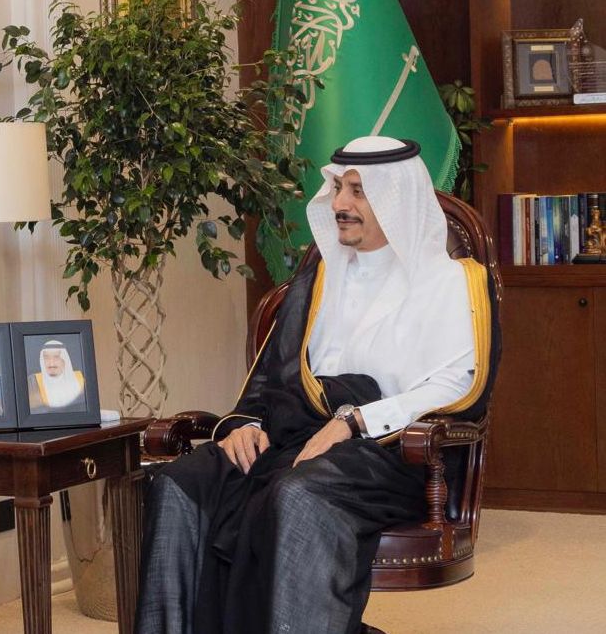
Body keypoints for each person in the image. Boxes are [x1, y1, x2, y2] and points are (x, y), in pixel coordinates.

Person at [135, 137, 500, 634]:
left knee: (297, 496)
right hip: (294, 436)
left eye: (358, 191)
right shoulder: (319, 279)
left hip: (390, 454)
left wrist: (354, 422)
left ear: (396, 200)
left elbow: (458, 386)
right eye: (338, 188)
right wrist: (246, 423)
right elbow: (272, 375)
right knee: (178, 485)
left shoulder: (451, 283)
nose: (340, 204)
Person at [26, 340, 86, 412]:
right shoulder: (33, 381)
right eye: (46, 357)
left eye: (57, 357)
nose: (51, 363)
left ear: (65, 359)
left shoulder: (82, 379)